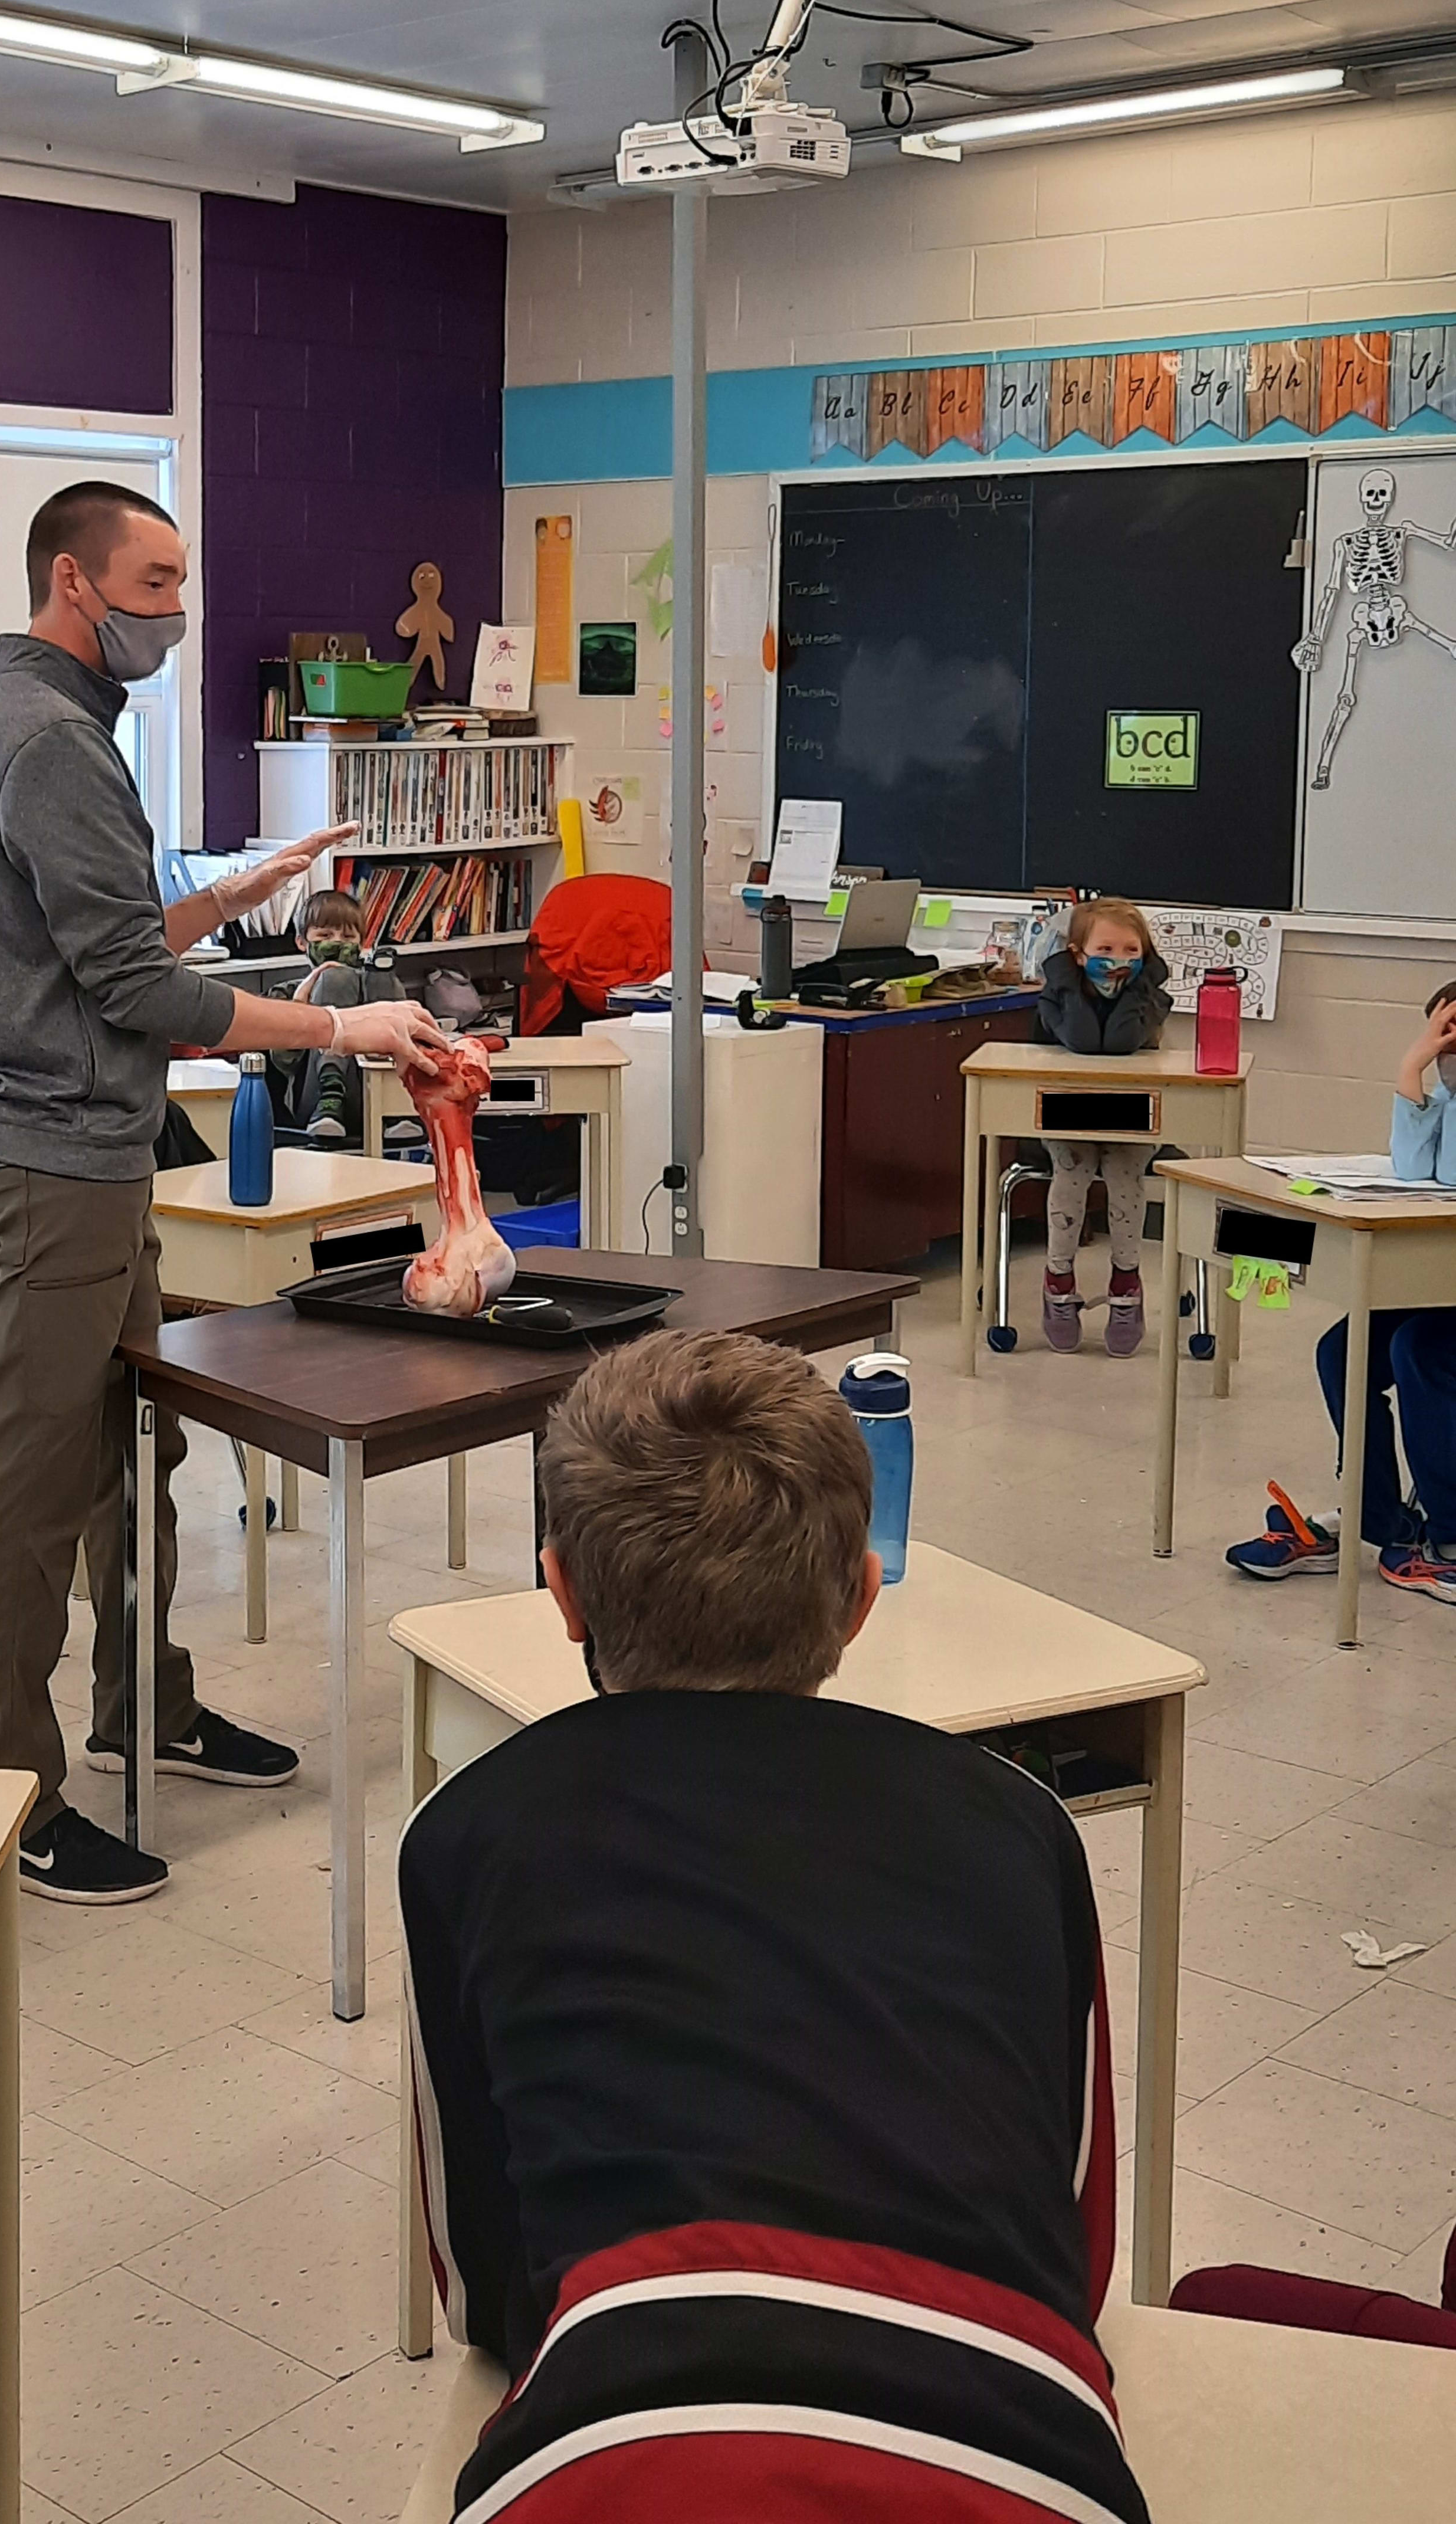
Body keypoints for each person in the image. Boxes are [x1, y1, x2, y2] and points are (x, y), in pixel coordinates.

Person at [401, 1330, 1142, 2524]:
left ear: (563, 1589)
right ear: (860, 1594)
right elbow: (1081, 2255)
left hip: (619, 2449)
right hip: (1020, 2455)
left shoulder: (468, 1829)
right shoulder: (1021, 1823)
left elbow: (485, 2288)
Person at [0, 478, 450, 1905]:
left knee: (125, 1448)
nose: (176, 610)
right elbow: (133, 990)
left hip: (71, 1144)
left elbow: (87, 938)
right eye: (153, 584)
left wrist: (239, 896)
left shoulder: (9, 720)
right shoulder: (46, 740)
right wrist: (341, 1023)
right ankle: (2, 1792)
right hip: (50, 1152)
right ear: (75, 583)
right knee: (36, 1476)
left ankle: (141, 1707)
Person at [1228, 975, 1456, 1594]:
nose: (1445, 1056)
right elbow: (1414, 1169)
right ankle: (1384, 1521)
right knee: (1342, 1349)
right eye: (1440, 1039)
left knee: (1418, 1350)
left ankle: (1450, 1533)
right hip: (1438, 1281)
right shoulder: (1446, 1099)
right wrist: (1413, 1071)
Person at [1033, 894, 1172, 1355]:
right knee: (1073, 1170)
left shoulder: (1150, 996)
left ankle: (1127, 1283)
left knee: (1122, 1172)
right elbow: (1084, 1041)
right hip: (1068, 1110)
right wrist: (1068, 981)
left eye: (1133, 952)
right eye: (1106, 951)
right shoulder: (1058, 994)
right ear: (1079, 954)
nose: (1119, 962)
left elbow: (1120, 1043)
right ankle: (1058, 1280)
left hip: (1132, 1111)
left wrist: (1139, 985)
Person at [275, 884, 403, 1143]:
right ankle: (331, 1097)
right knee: (336, 978)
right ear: (302, 942)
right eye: (324, 936)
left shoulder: (373, 985)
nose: (337, 943)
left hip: (375, 1091)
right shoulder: (286, 992)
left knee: (381, 979)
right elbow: (285, 1063)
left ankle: (397, 1102)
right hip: (314, 1102)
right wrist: (300, 1005)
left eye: (347, 938)